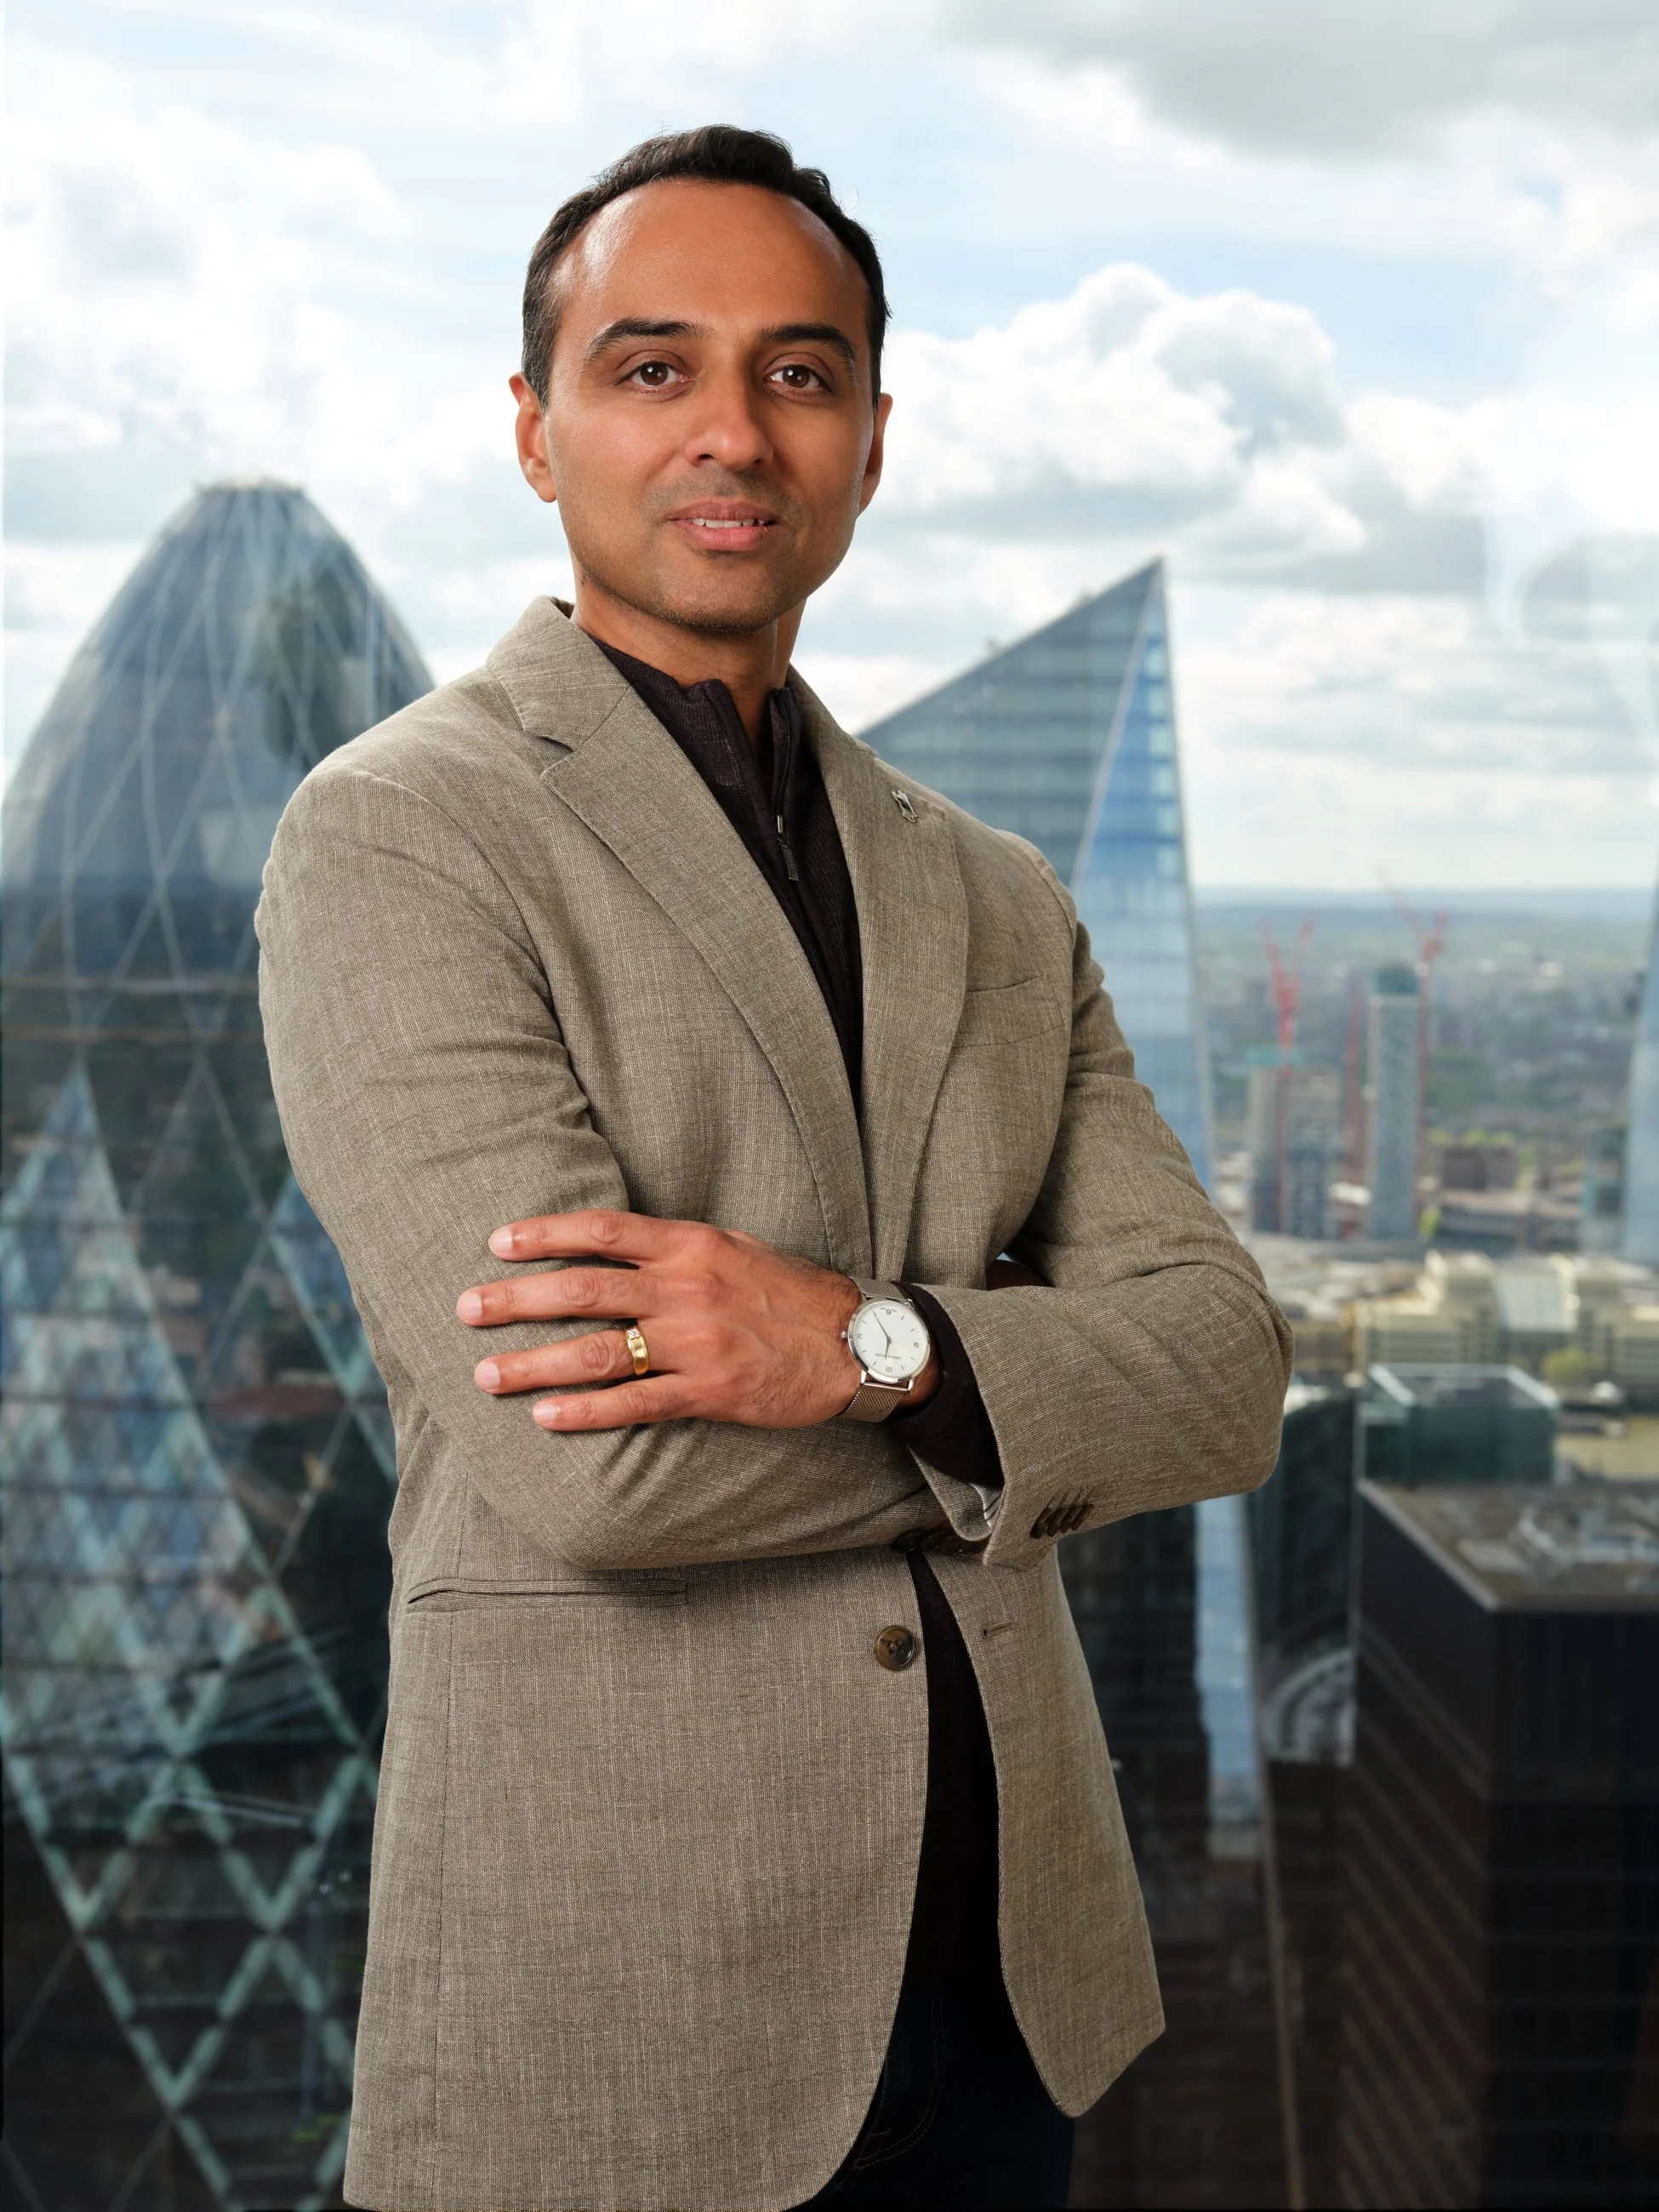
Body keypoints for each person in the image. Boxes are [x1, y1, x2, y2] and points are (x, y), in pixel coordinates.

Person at [257, 125, 1291, 2212]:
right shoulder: (401, 835)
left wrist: (869, 1346)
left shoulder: (993, 891)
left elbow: (1227, 1371)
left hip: (1010, 1989)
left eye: (799, 373)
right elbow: (596, 1475)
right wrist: (1023, 1409)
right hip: (623, 2004)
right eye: (653, 368)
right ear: (536, 431)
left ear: (873, 439)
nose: (734, 430)